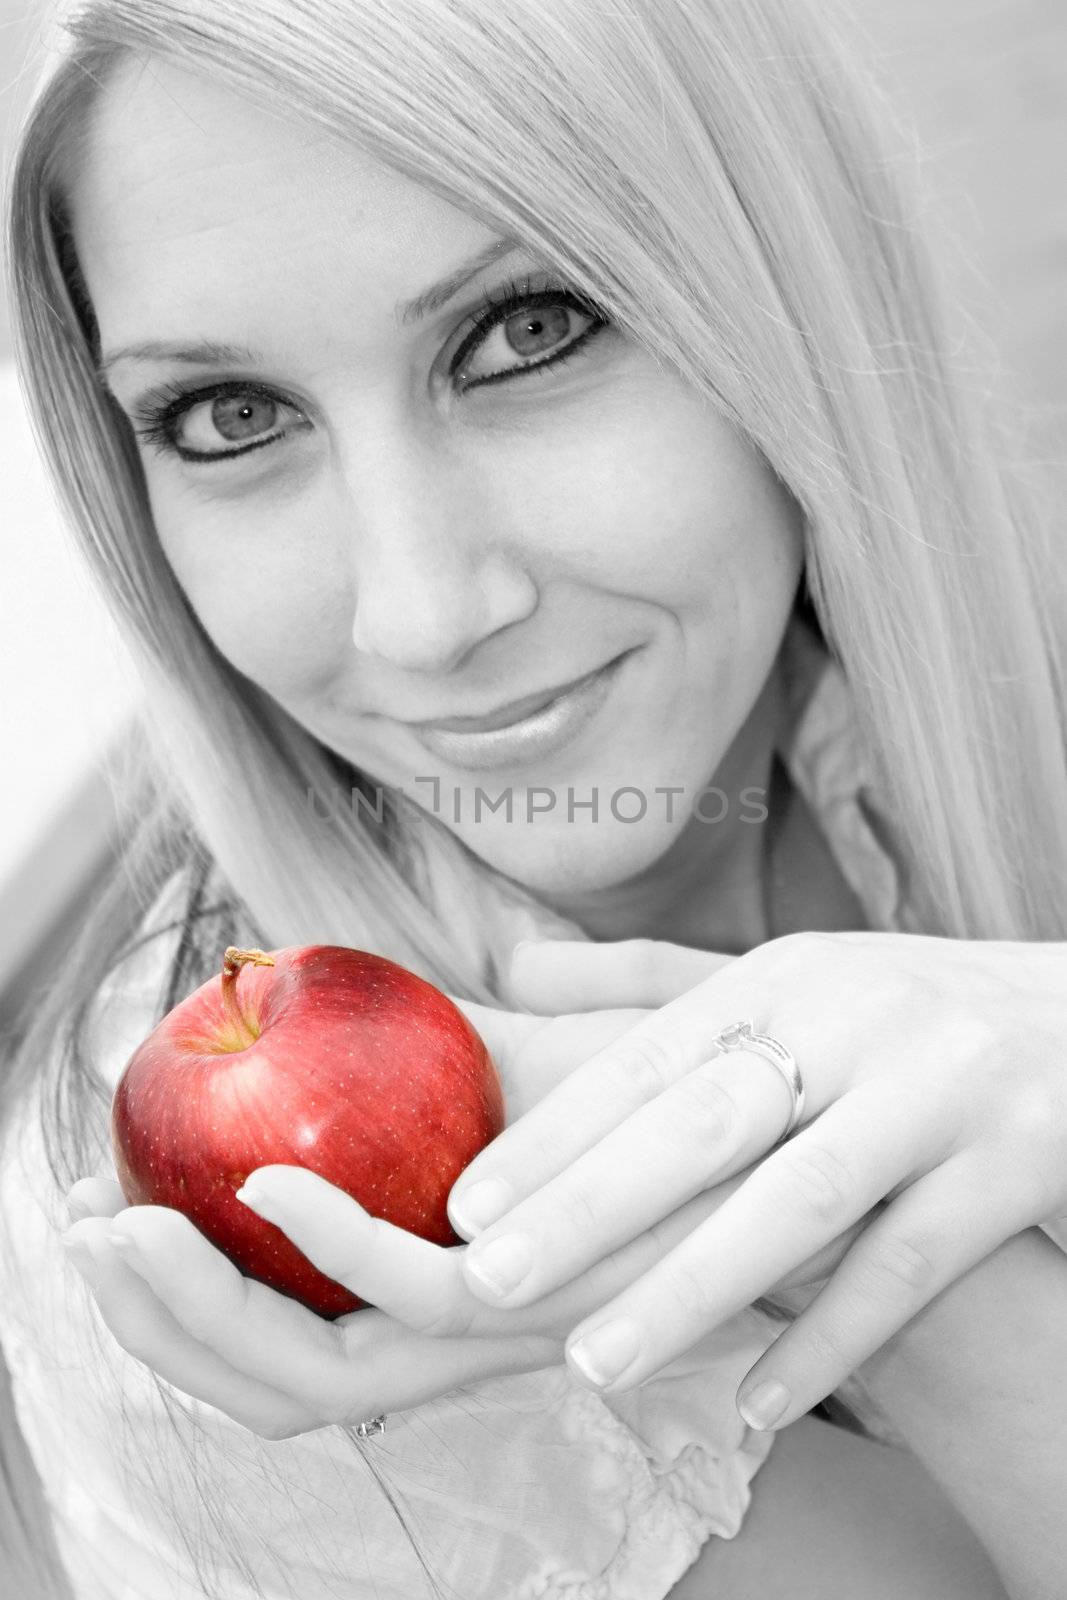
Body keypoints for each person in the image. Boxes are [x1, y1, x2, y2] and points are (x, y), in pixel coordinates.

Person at [1, 0, 1065, 1596]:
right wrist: (903, 1263)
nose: (420, 616)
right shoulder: (216, 1247)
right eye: (232, 419)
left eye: (527, 332)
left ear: (780, 290)